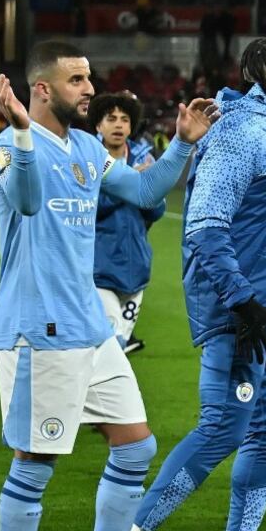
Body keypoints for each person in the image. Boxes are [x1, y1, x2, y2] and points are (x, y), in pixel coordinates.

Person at [0, 40, 214, 531]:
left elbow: (143, 191)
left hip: (90, 325)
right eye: (77, 80)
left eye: (89, 78)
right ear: (42, 89)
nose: (90, 89)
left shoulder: (88, 147)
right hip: (37, 329)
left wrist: (183, 144)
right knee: (35, 461)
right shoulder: (7, 149)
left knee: (136, 446)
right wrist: (22, 131)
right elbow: (28, 204)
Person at [117, 38, 266, 531]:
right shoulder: (240, 131)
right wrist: (242, 301)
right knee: (222, 427)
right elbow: (205, 225)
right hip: (241, 312)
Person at [90, 92, 162, 354]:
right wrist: (130, 182)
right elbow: (90, 209)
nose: (118, 125)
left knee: (115, 351)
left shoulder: (144, 158)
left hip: (137, 269)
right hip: (99, 269)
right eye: (111, 119)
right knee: (113, 345)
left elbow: (156, 212)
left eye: (124, 119)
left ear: (131, 127)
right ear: (98, 126)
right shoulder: (88, 160)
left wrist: (151, 188)